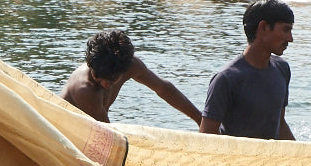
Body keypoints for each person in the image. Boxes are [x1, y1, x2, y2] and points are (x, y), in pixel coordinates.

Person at [59, 29, 203, 125]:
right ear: (91, 66)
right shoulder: (85, 90)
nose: (105, 84)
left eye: (112, 79)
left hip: (95, 128)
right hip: (65, 134)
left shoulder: (132, 66)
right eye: (98, 77)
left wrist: (200, 119)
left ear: (124, 70)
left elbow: (163, 89)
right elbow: (106, 136)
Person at [198, 0, 295, 140]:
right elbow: (206, 139)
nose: (290, 38)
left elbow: (280, 124)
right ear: (263, 27)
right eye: (286, 30)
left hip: (269, 161)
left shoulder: (282, 69)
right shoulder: (226, 79)